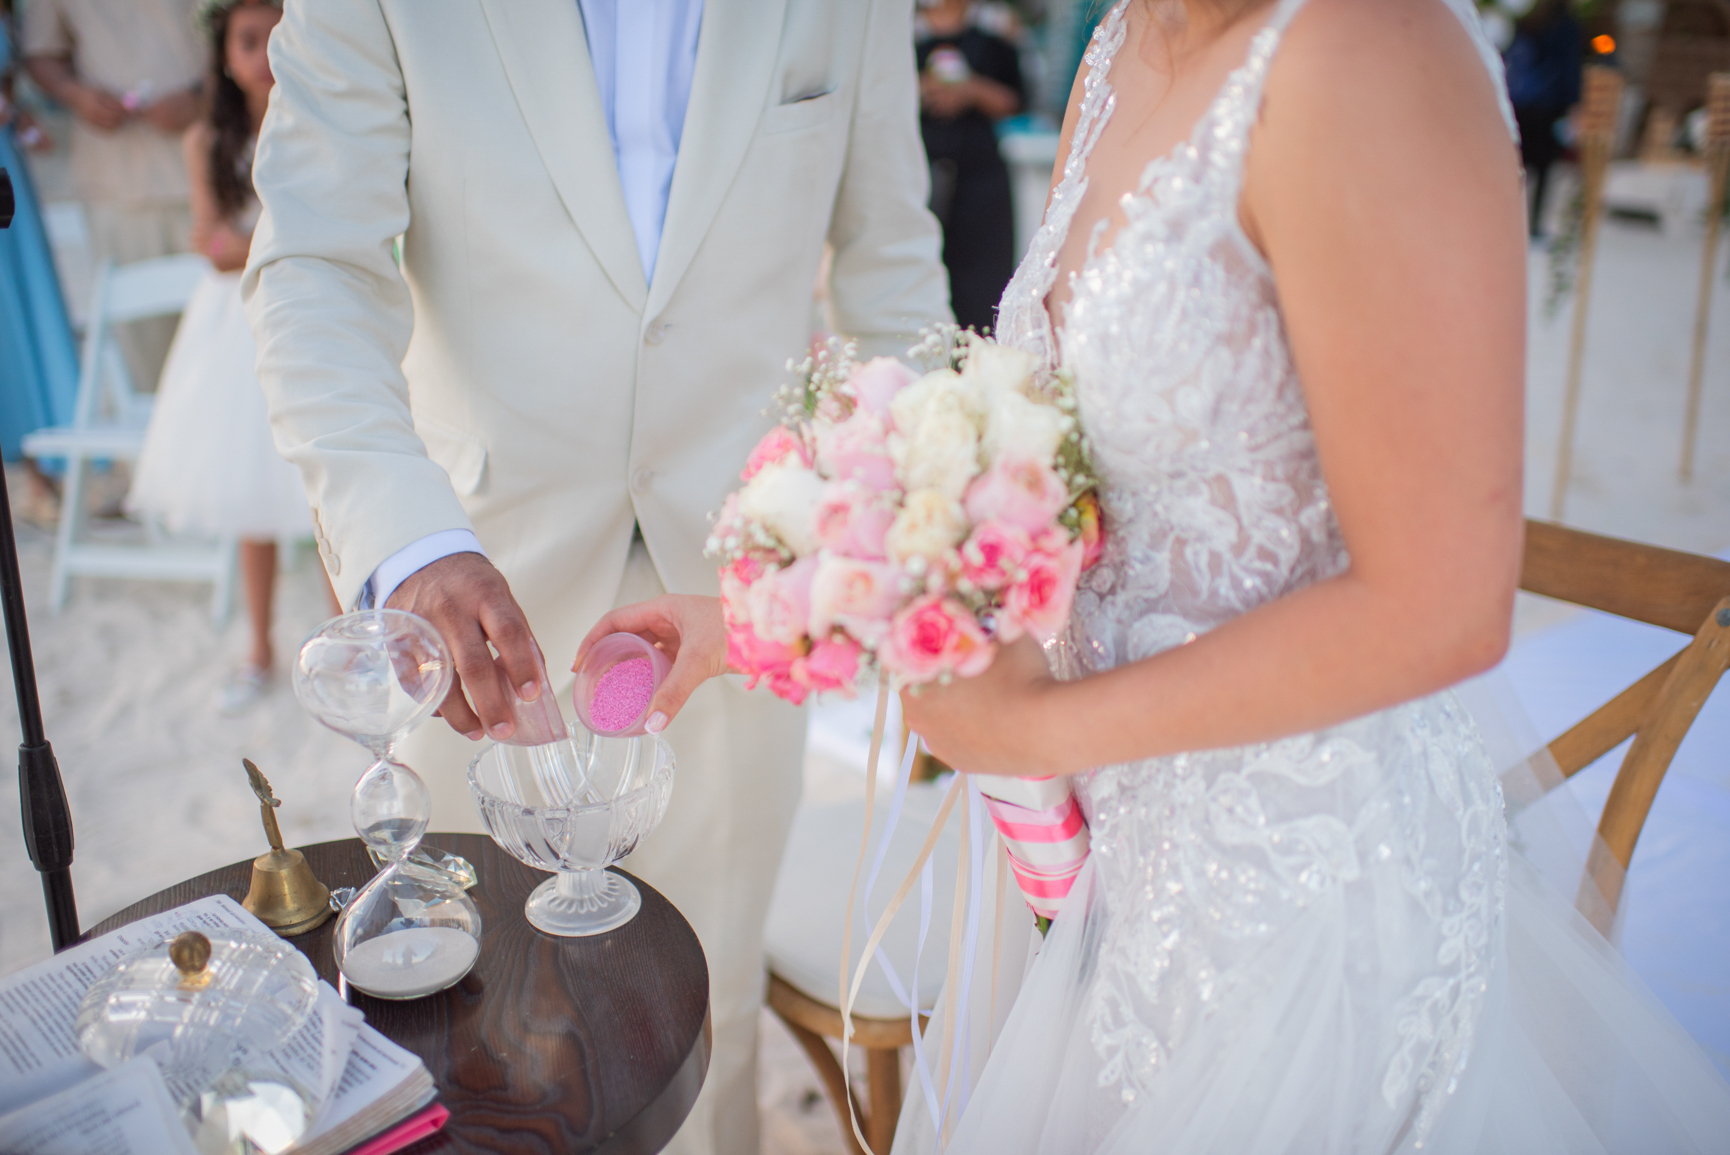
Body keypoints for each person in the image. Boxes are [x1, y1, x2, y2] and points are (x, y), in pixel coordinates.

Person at [591, 0, 1730, 1150]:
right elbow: (1058, 473)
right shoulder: (1122, 43)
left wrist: (1032, 730)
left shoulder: (1371, 50)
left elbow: (1442, 607)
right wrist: (784, 606)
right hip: (1104, 875)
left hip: (1298, 910)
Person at [241, 2, 948, 1151]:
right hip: (473, 604)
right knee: (472, 1025)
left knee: (705, 1018)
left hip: (734, 598)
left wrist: (885, 544)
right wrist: (409, 546)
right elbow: (312, 267)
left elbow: (891, 275)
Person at [126, 0, 330, 715]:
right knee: (253, 492)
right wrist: (285, 238)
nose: (265, 51)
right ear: (224, 53)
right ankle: (259, 649)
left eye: (278, 34)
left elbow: (318, 225)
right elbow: (211, 246)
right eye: (249, 39)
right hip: (237, 327)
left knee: (327, 490)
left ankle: (348, 640)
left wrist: (254, 241)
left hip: (310, 310)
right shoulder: (208, 139)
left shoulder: (317, 119)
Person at [22, 0, 201, 392]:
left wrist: (204, 98)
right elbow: (40, 51)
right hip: (115, 182)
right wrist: (75, 94)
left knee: (232, 335)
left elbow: (255, 28)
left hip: (212, 172)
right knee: (146, 356)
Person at [0, 0, 78, 514]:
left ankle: (42, 471)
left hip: (7, 165)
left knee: (25, 306)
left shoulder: (11, 11)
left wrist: (19, 113)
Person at [917, 0, 1024, 333]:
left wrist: (971, 91)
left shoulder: (996, 29)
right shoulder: (902, 29)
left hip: (979, 179)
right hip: (920, 172)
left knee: (982, 284)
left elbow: (1016, 99)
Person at [1504, 0, 1581, 239]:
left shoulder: (1525, 20)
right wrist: (1572, 104)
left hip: (1520, 104)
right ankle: (1534, 223)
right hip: (1548, 107)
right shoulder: (1566, 26)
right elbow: (1569, 68)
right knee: (1544, 172)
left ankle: (1507, 221)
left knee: (1515, 166)